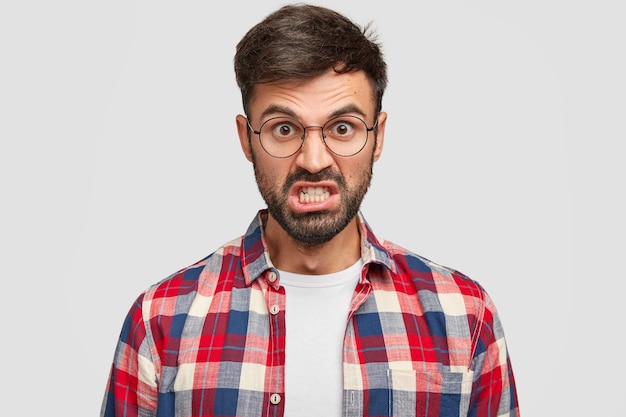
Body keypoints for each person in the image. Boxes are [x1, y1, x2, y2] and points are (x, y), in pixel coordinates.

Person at [100, 4, 520, 417]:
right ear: (247, 140)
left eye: (343, 128)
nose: (314, 159)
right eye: (285, 128)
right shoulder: (160, 321)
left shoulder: (465, 318)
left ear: (378, 136)